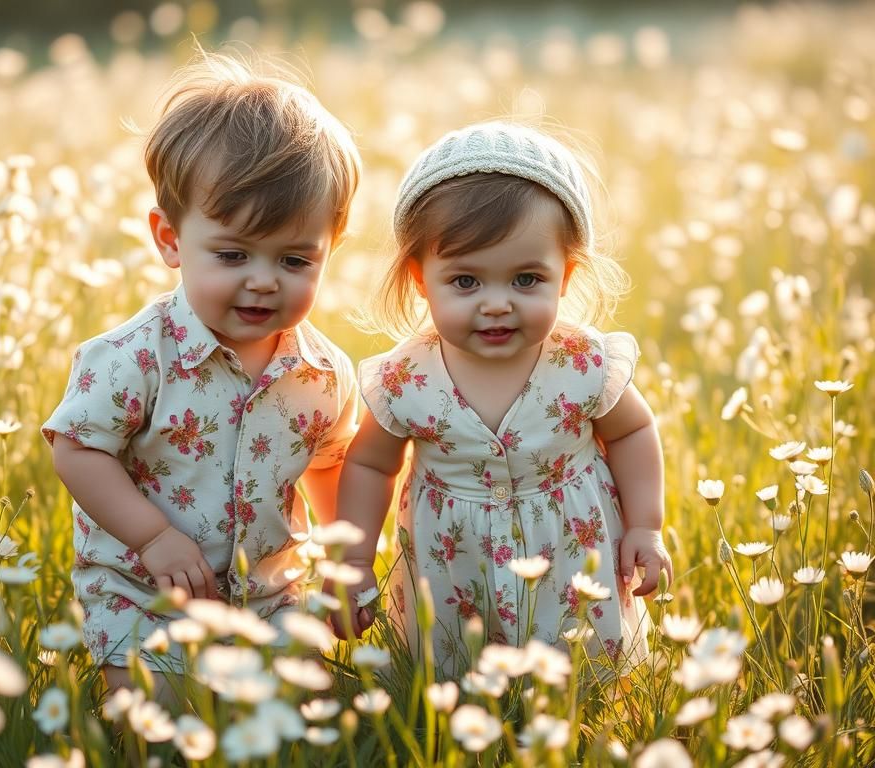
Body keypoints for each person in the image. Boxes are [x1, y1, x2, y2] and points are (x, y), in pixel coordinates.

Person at [42, 52, 361, 700]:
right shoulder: (136, 356)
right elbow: (77, 448)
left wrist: (340, 561)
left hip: (270, 595)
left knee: (307, 713)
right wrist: (153, 536)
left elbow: (330, 463)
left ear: (329, 249)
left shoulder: (323, 373)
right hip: (146, 590)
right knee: (153, 718)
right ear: (170, 239)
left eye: (295, 260)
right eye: (233, 254)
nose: (263, 280)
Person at [331, 121, 671, 679]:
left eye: (526, 279)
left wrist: (646, 525)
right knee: (454, 671)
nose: (496, 304)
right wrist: (353, 560)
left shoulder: (582, 364)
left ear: (566, 275)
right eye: (466, 281)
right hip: (453, 560)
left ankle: (582, 704)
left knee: (578, 669)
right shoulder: (405, 379)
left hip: (568, 548)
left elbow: (632, 431)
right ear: (420, 278)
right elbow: (370, 463)